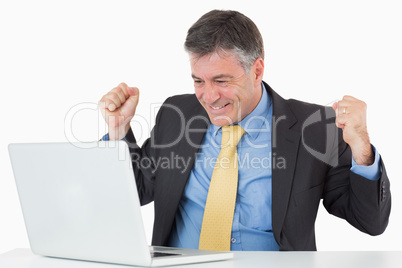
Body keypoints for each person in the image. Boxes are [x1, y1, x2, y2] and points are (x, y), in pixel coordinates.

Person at [98, 10, 391, 251]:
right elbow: (133, 192)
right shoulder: (177, 115)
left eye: (222, 81)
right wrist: (118, 130)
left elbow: (371, 223)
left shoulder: (315, 127)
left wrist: (361, 149)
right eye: (199, 81)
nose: (209, 96)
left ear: (257, 70)